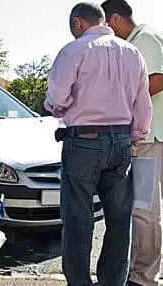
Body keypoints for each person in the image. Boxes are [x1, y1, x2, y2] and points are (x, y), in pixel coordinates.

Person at [44, 2, 152, 286]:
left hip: (83, 141)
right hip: (120, 142)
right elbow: (143, 103)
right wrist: (135, 137)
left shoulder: (74, 50)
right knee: (119, 221)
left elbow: (56, 99)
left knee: (79, 220)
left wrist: (58, 108)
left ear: (79, 23)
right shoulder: (133, 53)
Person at [100, 1, 163, 285]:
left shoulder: (145, 39)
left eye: (105, 25)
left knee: (144, 210)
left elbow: (158, 79)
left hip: (151, 139)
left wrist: (121, 103)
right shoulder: (142, 38)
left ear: (114, 19)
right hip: (151, 137)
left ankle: (143, 278)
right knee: (146, 210)